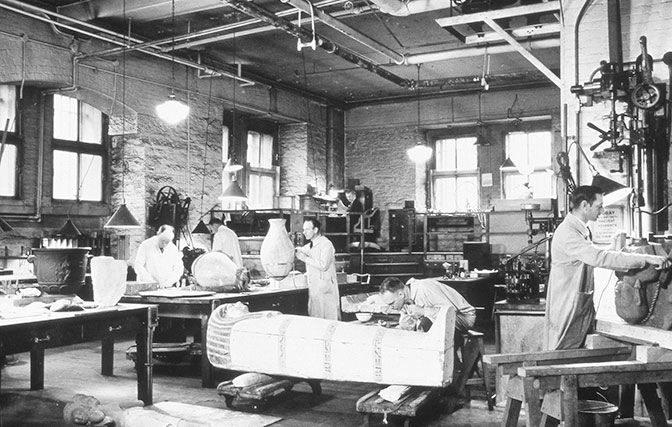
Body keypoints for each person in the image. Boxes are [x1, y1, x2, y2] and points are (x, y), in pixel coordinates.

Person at [544, 185, 671, 350]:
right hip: (566, 303)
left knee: (572, 349)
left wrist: (613, 246)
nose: (602, 210)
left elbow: (594, 254)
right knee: (561, 351)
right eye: (599, 206)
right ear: (584, 206)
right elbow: (598, 258)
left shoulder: (580, 229)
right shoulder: (568, 232)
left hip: (578, 301)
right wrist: (646, 258)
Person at [372, 276, 476, 333]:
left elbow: (450, 312)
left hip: (464, 317)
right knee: (421, 330)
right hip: (446, 318)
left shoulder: (424, 288)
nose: (392, 307)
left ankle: (451, 368)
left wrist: (423, 311)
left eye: (391, 303)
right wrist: (390, 327)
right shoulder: (404, 300)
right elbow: (408, 327)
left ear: (400, 294)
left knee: (427, 325)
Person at [295, 218, 341, 320]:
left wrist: (304, 258)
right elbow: (301, 250)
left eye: (307, 229)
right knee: (316, 319)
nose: (304, 232)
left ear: (315, 230)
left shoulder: (326, 244)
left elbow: (323, 265)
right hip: (315, 289)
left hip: (326, 289)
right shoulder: (310, 245)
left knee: (329, 320)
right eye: (304, 229)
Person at [134, 224, 184, 288]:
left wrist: (169, 282)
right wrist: (150, 281)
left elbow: (178, 269)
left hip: (166, 287)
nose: (164, 244)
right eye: (162, 241)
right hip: (147, 285)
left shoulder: (173, 248)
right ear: (158, 234)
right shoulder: (146, 245)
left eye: (167, 242)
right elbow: (138, 266)